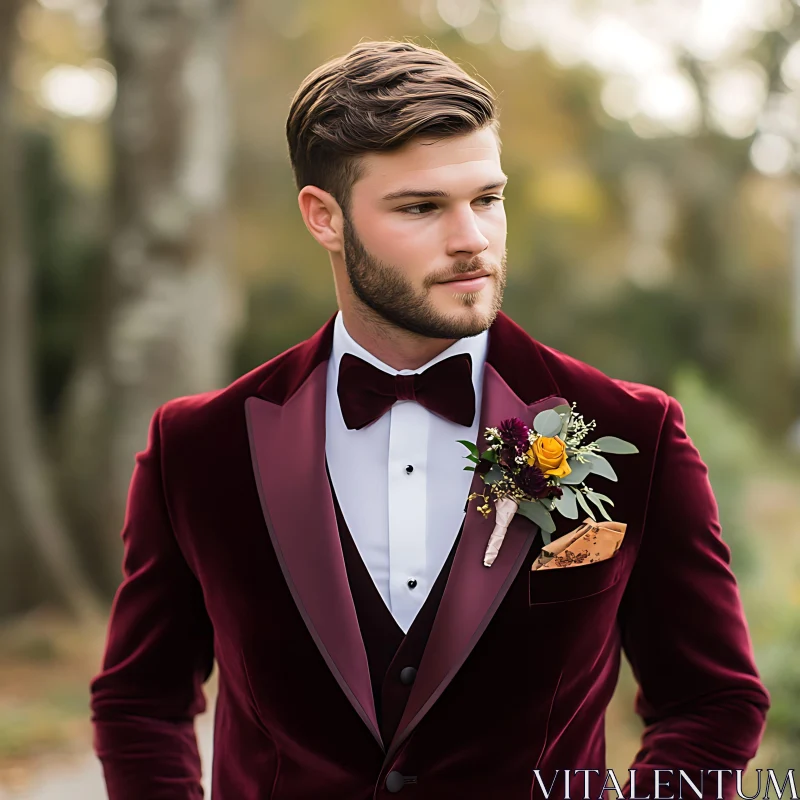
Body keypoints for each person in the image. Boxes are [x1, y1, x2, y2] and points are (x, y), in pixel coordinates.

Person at [89, 39, 770, 800]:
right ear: (325, 218)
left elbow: (712, 701)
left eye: (487, 198)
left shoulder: (633, 434)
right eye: (421, 208)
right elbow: (140, 702)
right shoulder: (198, 448)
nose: (472, 240)